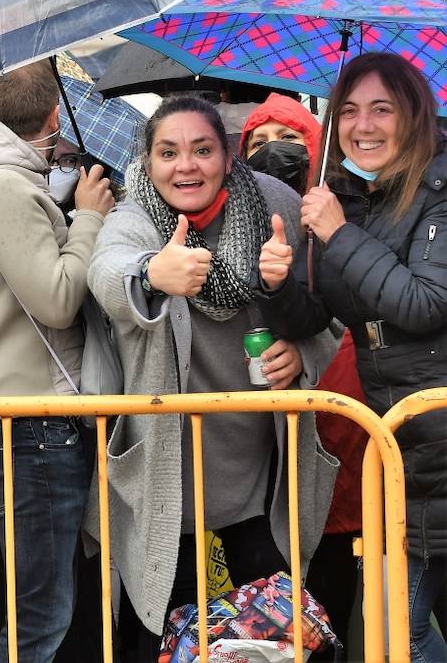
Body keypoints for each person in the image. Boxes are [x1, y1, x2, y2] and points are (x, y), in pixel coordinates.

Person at [86, 95, 339, 657]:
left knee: (273, 639)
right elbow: (103, 274)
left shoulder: (275, 202)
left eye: (202, 150)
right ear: (148, 163)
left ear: (227, 155)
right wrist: (152, 272)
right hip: (165, 481)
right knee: (158, 642)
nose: (186, 166)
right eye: (168, 152)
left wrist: (301, 352)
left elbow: (331, 305)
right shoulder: (135, 217)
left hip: (261, 477)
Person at [255, 52, 447, 662]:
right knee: (397, 628)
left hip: (438, 436)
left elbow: (424, 304)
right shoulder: (348, 197)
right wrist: (279, 283)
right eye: (350, 110)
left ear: (413, 117)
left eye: (381, 109)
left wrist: (339, 235)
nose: (364, 124)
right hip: (403, 450)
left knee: (401, 629)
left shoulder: (439, 190)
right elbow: (316, 316)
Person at [0, 61, 114, 663]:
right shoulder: (3, 185)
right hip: (27, 421)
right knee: (41, 611)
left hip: (15, 414)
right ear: (54, 116)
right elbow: (59, 299)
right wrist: (88, 216)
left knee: (35, 603)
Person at [239, 95, 368, 656]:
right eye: (258, 144)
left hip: (353, 419)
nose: (274, 153)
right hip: (279, 437)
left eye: (287, 139)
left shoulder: (347, 212)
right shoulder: (241, 216)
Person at [240, 92, 321, 195]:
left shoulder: (340, 204)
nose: (272, 150)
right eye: (259, 143)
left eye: (288, 137)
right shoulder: (233, 207)